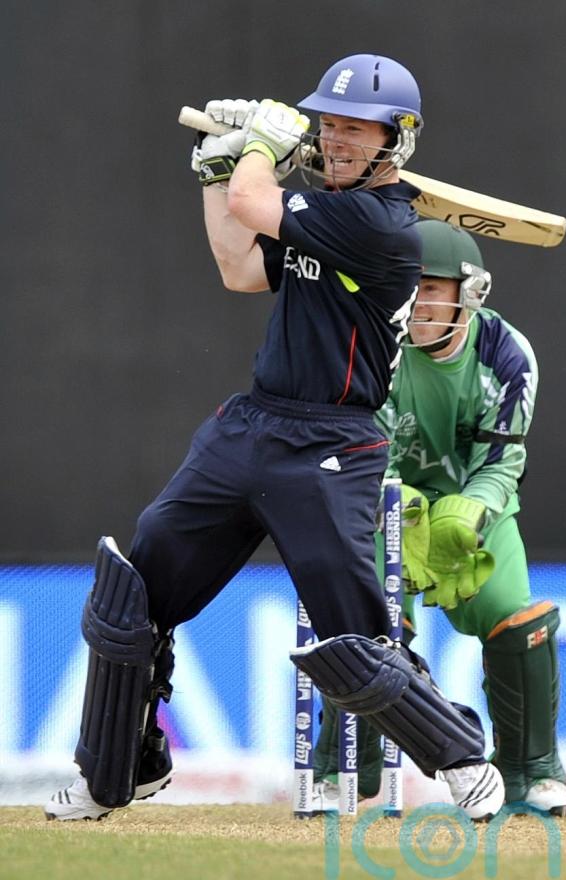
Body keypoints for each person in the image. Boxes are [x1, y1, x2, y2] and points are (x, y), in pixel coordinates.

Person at [45, 55, 504, 822]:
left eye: (356, 128)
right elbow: (239, 265)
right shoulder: (325, 212)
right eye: (328, 123)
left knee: (353, 636)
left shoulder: (381, 225)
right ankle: (116, 772)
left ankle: (460, 757)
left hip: (332, 444)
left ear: (396, 139)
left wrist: (256, 146)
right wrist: (215, 167)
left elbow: (254, 200)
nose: (337, 138)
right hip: (251, 424)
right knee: (133, 598)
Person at [312, 219, 566, 817]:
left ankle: (532, 772)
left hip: (473, 507)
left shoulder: (506, 353)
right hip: (385, 508)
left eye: (431, 288)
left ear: (470, 293)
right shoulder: (371, 343)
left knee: (516, 619)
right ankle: (346, 768)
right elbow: (356, 446)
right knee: (366, 627)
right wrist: (398, 507)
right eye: (407, 285)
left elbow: (503, 459)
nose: (417, 302)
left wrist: (472, 510)